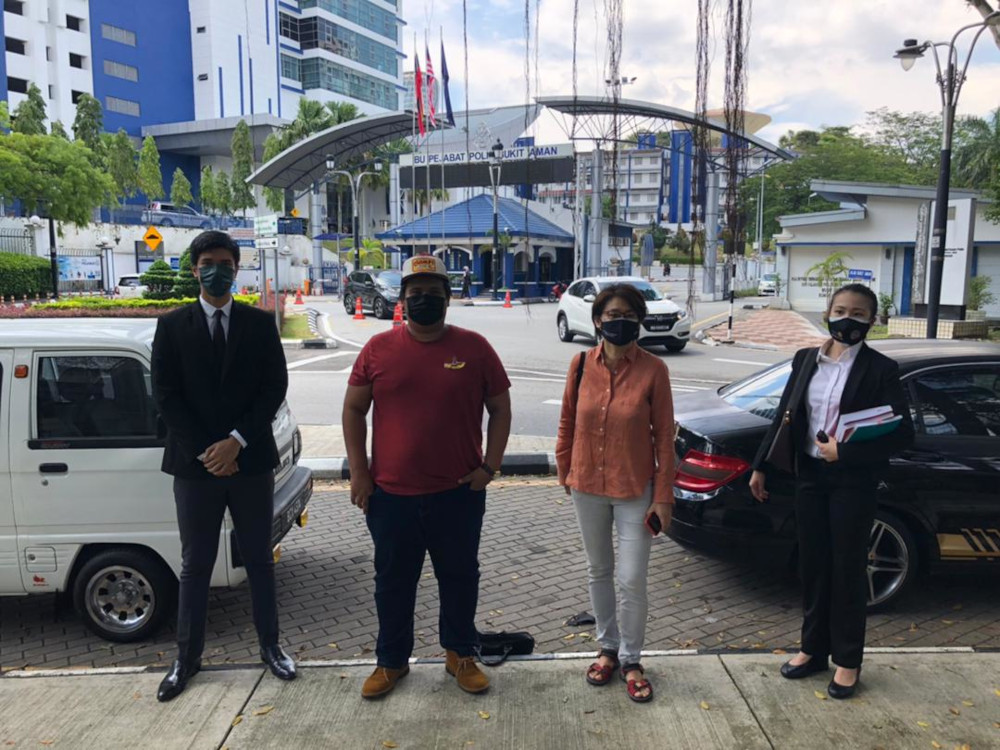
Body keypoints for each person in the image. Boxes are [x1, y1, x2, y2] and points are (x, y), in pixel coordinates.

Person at [343, 255, 512, 700]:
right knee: (392, 582)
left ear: (447, 299)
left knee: (459, 577)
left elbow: (500, 409)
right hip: (390, 496)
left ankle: (460, 655)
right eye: (415, 294)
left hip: (457, 494)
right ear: (401, 300)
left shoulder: (475, 347)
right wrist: (360, 473)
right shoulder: (377, 350)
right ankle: (391, 661)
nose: (423, 301)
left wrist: (489, 467)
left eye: (432, 294)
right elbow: (354, 409)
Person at [748, 283, 914, 700]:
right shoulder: (806, 360)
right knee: (814, 566)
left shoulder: (881, 369)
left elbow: (902, 433)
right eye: (840, 310)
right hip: (809, 478)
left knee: (846, 571)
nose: (848, 319)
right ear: (827, 313)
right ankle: (812, 649)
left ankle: (848, 660)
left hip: (851, 483)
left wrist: (847, 451)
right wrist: (761, 466)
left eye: (858, 313)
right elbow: (785, 415)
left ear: (872, 321)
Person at [151, 230, 296, 702]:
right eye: (208, 262)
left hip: (249, 461)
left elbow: (273, 387)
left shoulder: (258, 324)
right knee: (195, 565)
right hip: (195, 469)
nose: (218, 270)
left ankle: (271, 648)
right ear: (194, 269)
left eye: (226, 263)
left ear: (238, 269)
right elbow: (166, 398)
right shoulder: (171, 326)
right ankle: (186, 659)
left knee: (259, 560)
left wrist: (235, 442)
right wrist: (208, 452)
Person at [556, 284, 676, 704]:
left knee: (632, 578)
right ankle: (607, 649)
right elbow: (567, 422)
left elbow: (664, 438)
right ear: (597, 320)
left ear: (638, 321)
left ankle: (632, 658)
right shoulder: (579, 365)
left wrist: (663, 497)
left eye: (628, 314)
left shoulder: (653, 370)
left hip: (634, 488)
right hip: (586, 485)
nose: (618, 321)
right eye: (611, 314)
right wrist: (565, 470)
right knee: (598, 570)